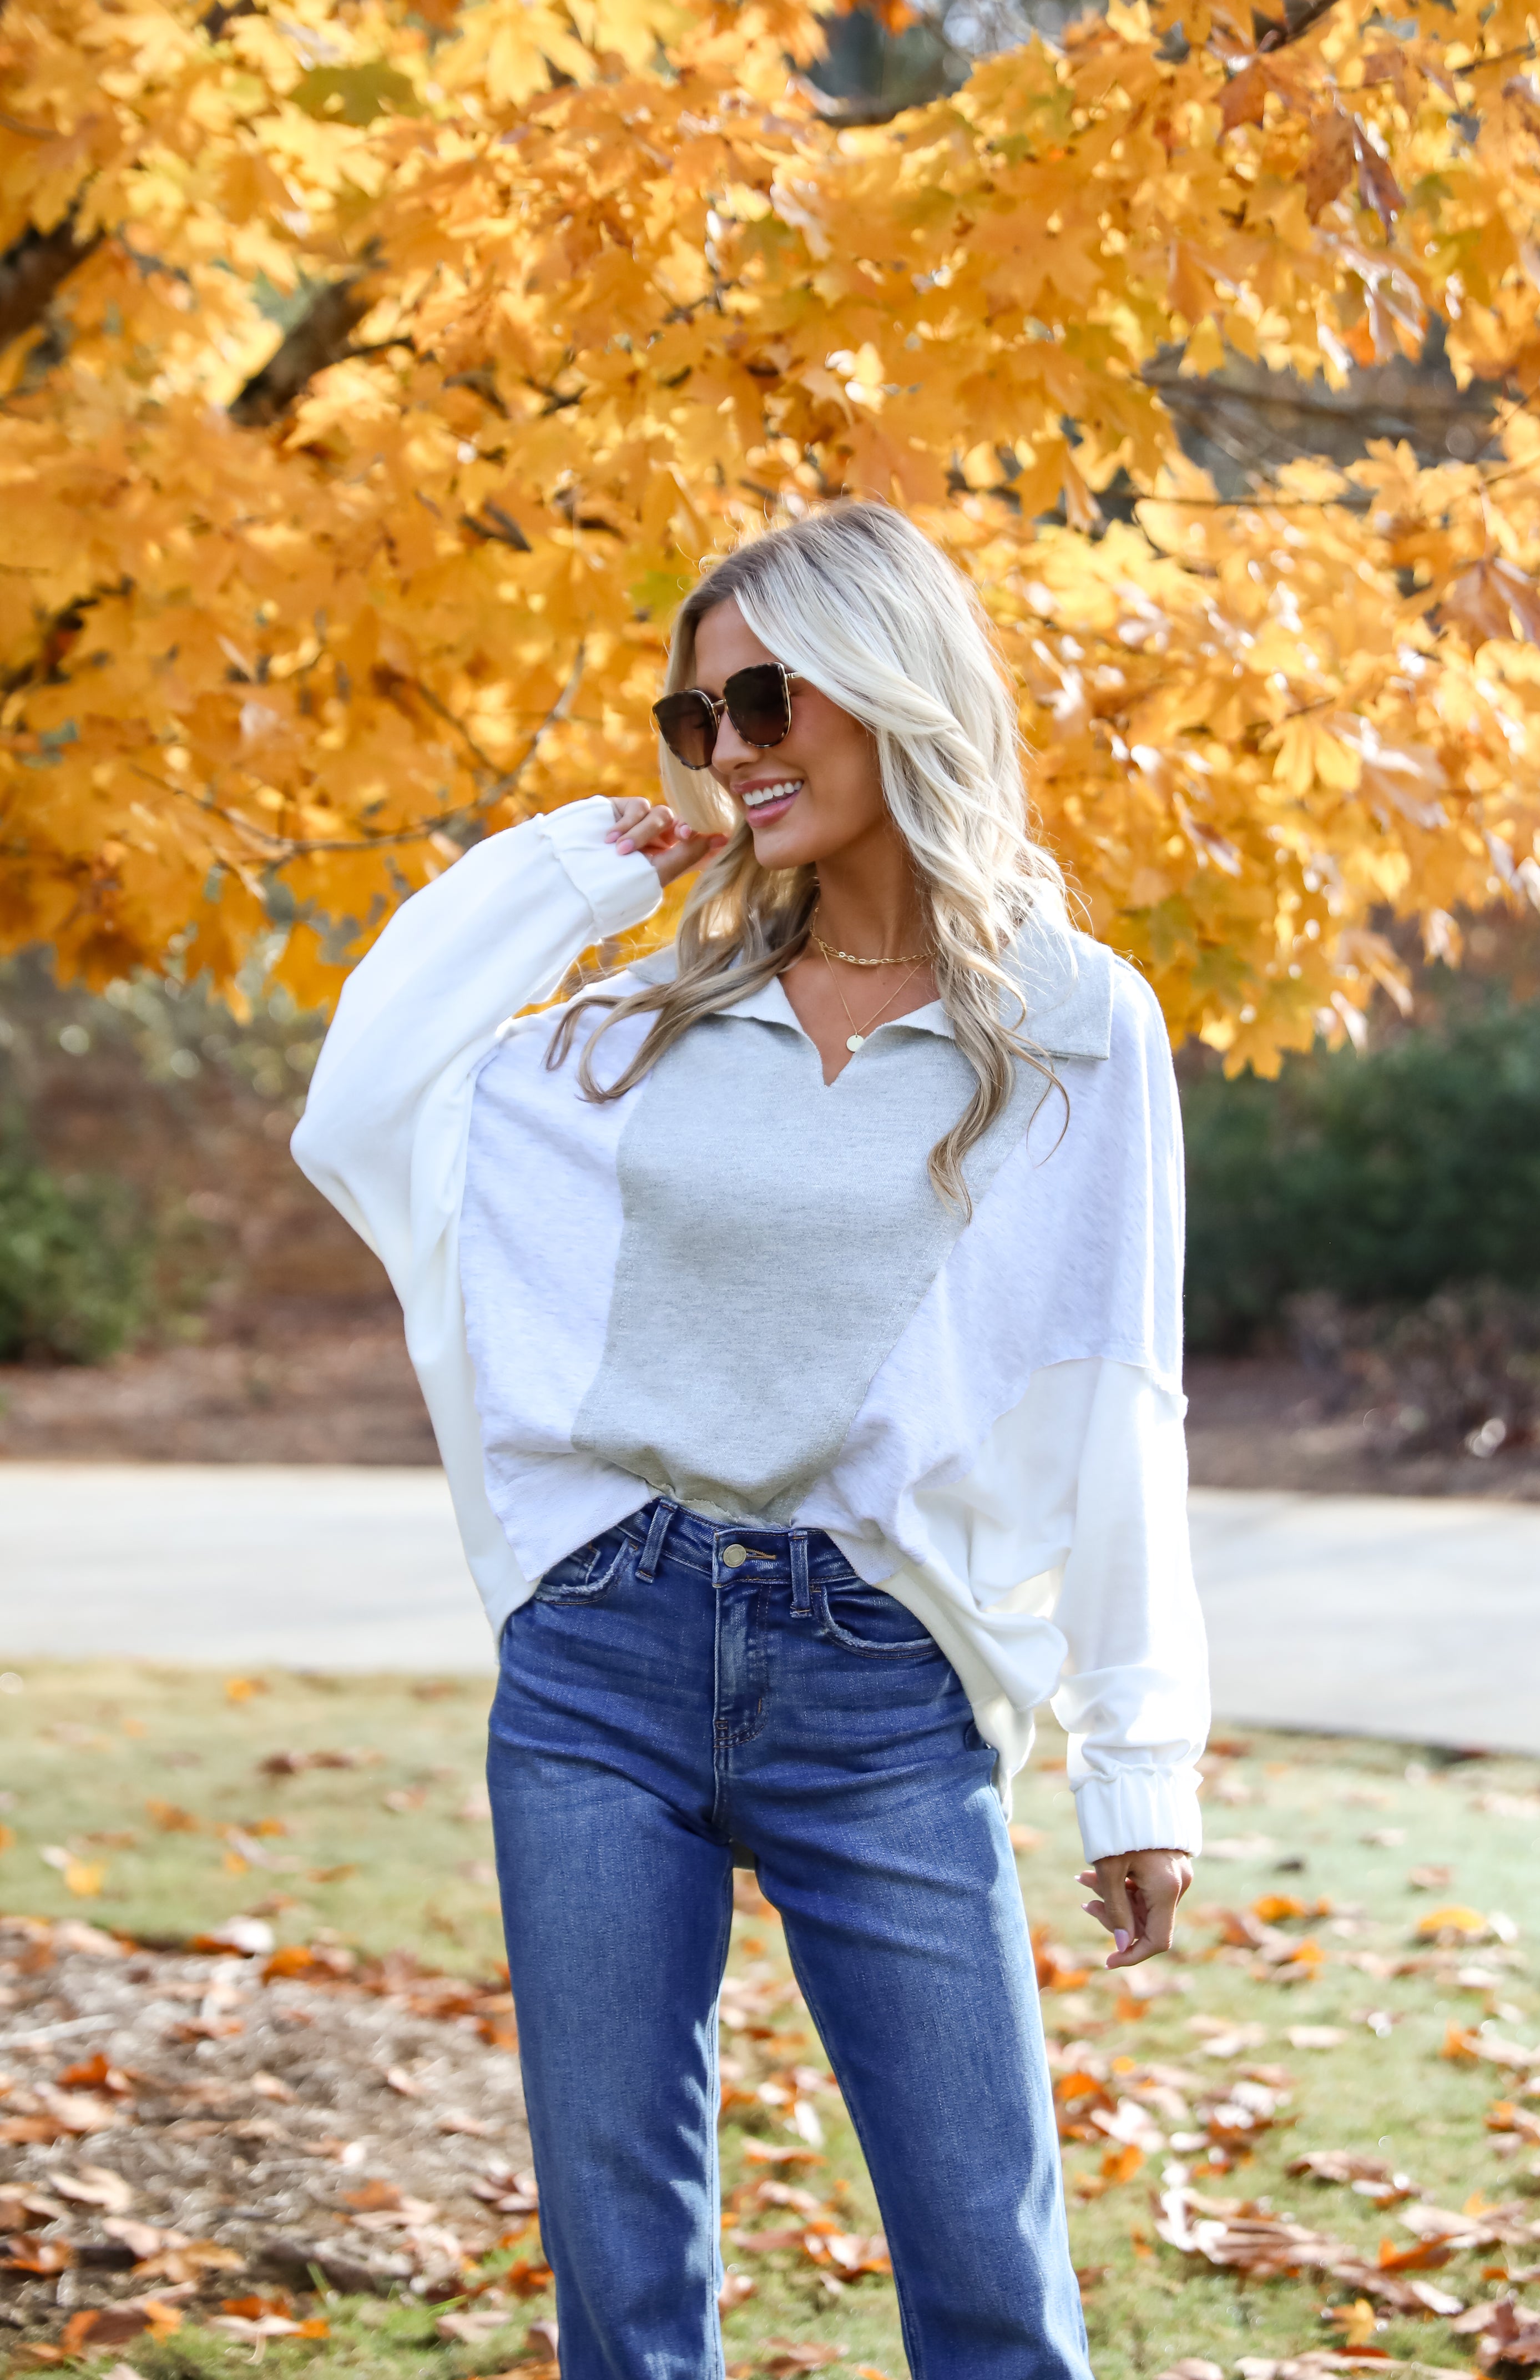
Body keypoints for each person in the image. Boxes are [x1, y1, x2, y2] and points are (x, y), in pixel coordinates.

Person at [292, 500, 1208, 2380]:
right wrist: (572, 868)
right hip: (598, 1667)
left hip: (881, 1682)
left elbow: (1116, 1388)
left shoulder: (1068, 1024)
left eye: (769, 698)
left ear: (892, 685)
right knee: (623, 2301)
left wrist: (1137, 1764)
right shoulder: (639, 1021)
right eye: (694, 719)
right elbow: (361, 1108)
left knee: (987, 2283)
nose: (731, 752)